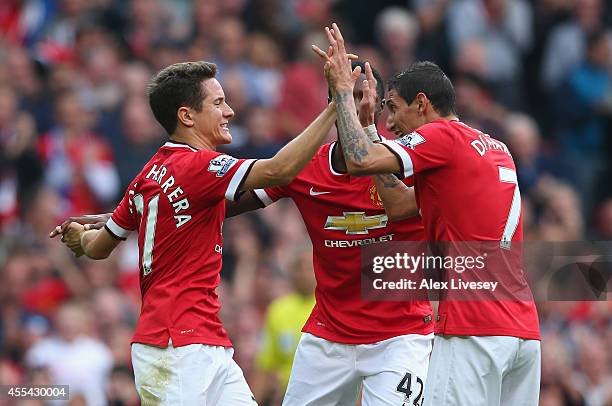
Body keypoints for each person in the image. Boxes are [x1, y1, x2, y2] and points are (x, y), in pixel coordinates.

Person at [52, 61, 434, 406]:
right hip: (200, 340)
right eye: (218, 103)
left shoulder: (414, 164)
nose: (230, 111)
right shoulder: (241, 168)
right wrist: (340, 102)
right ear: (187, 115)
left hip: (394, 336)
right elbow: (267, 177)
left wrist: (103, 224)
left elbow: (154, 213)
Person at [314, 23, 541, 406]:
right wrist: (369, 128)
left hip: (474, 327)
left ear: (422, 104)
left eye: (392, 109)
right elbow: (400, 206)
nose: (389, 124)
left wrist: (341, 94)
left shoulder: (442, 137)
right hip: (522, 331)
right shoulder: (494, 146)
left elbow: (357, 160)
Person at [250, 244, 316, 405]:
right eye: (298, 268)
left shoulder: (329, 307)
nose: (303, 274)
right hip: (287, 396)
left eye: (308, 267)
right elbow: (264, 367)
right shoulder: (277, 310)